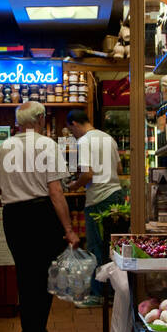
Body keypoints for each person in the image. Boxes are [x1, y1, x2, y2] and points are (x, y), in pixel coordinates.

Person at [0, 101, 80, 332]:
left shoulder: (4, 146)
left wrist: (16, 181)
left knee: (25, 276)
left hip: (14, 217)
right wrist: (69, 230)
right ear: (40, 119)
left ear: (19, 122)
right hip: (41, 215)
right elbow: (55, 191)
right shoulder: (46, 144)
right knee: (43, 280)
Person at [67, 108, 123, 307]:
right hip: (116, 195)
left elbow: (88, 174)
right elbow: (119, 169)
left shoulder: (84, 141)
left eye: (71, 131)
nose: (73, 135)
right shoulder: (109, 138)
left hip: (98, 199)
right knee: (113, 247)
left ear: (74, 124)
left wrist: (74, 185)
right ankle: (116, 293)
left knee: (95, 247)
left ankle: (98, 295)